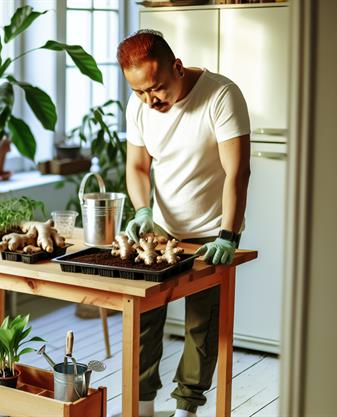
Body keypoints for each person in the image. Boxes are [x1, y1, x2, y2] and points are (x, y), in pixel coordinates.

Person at [118, 30, 251, 417]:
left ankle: (186, 410)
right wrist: (143, 211)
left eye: (156, 89)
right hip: (160, 228)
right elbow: (138, 166)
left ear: (177, 67)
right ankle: (142, 407)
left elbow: (237, 173)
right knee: (144, 318)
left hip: (212, 231)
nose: (149, 100)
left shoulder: (222, 96)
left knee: (200, 325)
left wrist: (229, 234)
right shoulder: (139, 104)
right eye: (139, 92)